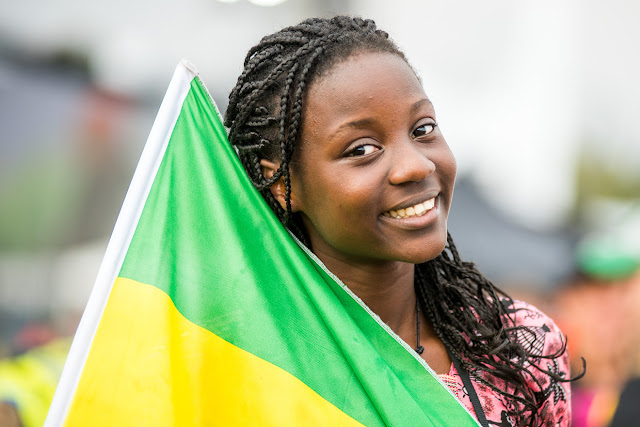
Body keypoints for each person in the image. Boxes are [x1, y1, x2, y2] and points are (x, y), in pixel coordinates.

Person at [224, 15, 579, 426]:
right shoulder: (244, 366)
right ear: (282, 182)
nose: (416, 165)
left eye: (423, 128)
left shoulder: (518, 348)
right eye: (361, 149)